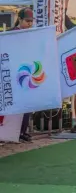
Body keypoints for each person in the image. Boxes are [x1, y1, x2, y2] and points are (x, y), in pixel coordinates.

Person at [8, 8, 34, 142]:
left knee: (27, 104)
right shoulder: (11, 33)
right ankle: (14, 131)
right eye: (27, 21)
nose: (30, 24)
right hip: (14, 73)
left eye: (31, 21)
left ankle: (22, 131)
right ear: (20, 20)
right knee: (16, 105)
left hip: (26, 73)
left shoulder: (33, 34)